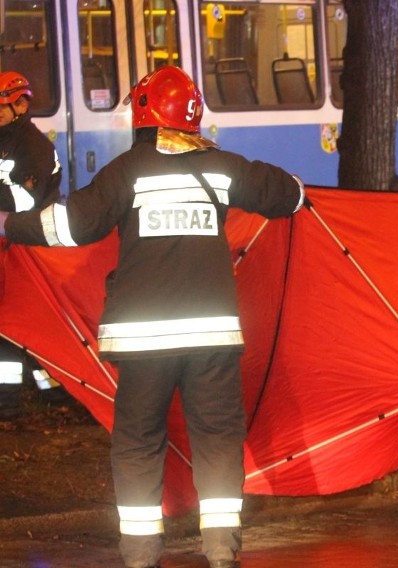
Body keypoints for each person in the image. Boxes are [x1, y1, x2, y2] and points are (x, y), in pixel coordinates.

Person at [0, 66, 305, 567]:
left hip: (142, 343)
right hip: (212, 339)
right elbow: (287, 195)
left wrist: (11, 224)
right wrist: (296, 187)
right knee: (217, 438)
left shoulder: (127, 172)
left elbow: (71, 225)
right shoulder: (222, 168)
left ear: (143, 114)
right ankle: (221, 552)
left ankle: (141, 554)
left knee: (139, 441)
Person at [0, 70, 65, 421]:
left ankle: (33, 395)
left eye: (2, 108)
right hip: (7, 248)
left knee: (19, 321)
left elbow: (25, 201)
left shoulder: (36, 147)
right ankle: (44, 390)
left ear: (21, 105)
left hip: (30, 247)